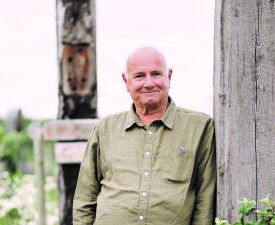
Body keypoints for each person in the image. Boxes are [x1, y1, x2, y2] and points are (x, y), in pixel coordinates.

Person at [73, 46, 216, 225]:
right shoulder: (105, 129)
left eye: (156, 74)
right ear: (126, 81)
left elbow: (205, 199)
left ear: (169, 76)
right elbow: (85, 197)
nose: (149, 83)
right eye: (139, 76)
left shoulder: (200, 127)